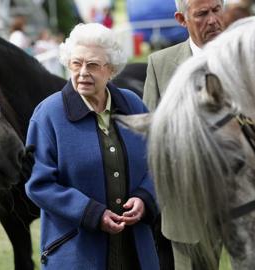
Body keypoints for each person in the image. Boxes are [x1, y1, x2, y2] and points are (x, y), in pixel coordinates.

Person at [25, 23, 159, 270]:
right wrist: (90, 212)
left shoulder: (132, 105)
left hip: (136, 252)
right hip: (75, 254)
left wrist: (146, 198)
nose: (83, 72)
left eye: (93, 65)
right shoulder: (48, 115)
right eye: (77, 63)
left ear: (111, 70)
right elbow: (39, 184)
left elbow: (158, 163)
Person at [142, 0, 225, 269]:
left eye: (217, 9)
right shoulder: (160, 64)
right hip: (187, 208)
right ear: (181, 19)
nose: (213, 20)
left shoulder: (248, 52)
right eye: (202, 14)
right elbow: (151, 136)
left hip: (248, 202)